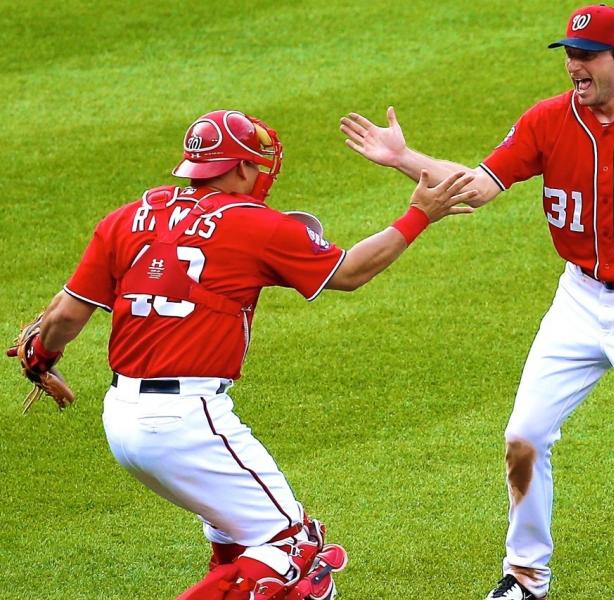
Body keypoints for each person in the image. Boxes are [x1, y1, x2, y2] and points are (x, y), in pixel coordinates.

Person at [339, 5, 614, 599]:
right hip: (580, 299)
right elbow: (479, 185)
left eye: (587, 55)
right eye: (570, 54)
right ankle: (525, 578)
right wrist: (405, 160)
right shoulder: (545, 122)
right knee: (525, 436)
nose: (574, 66)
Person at [10, 109, 475, 599]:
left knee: (239, 539)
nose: (259, 171)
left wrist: (40, 359)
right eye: (254, 162)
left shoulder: (128, 217)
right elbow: (351, 272)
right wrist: (419, 212)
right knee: (296, 551)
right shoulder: (255, 225)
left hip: (123, 419)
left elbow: (63, 316)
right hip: (187, 421)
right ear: (236, 169)